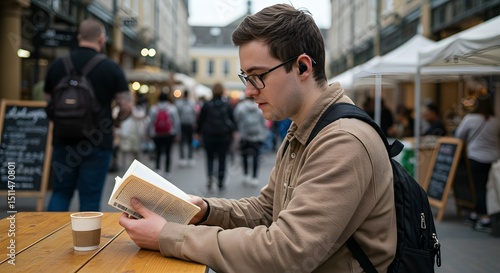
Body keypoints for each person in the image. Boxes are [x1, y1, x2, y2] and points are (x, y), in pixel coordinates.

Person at [119, 4, 396, 272]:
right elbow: (267, 211)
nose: (250, 91)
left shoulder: (342, 140)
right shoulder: (305, 128)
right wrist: (204, 209)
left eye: (257, 76)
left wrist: (168, 236)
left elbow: (286, 252)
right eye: (245, 77)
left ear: (302, 67)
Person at [44, 18, 133, 211]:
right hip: (97, 141)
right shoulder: (110, 67)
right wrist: (115, 122)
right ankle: (86, 241)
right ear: (101, 39)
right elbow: (126, 106)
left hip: (63, 140)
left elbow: (48, 102)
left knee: (60, 193)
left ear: (79, 38)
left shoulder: (58, 65)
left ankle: (49, 240)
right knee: (90, 197)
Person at [455, 94, 500, 232]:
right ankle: (484, 213)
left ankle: (484, 216)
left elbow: (459, 135)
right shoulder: (496, 120)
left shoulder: (470, 119)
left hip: (476, 157)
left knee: (478, 187)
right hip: (494, 158)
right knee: (491, 188)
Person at [196, 82, 236, 191]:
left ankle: (210, 177)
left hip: (209, 135)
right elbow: (233, 121)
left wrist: (198, 133)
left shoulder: (206, 104)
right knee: (222, 158)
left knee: (209, 158)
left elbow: (200, 121)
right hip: (224, 136)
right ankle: (220, 181)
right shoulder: (226, 105)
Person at [233, 96, 268, 187]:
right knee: (256, 156)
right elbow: (263, 122)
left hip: (244, 135)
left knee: (244, 155)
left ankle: (245, 175)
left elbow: (236, 120)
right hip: (257, 136)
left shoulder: (240, 107)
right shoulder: (259, 107)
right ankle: (254, 177)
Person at [148, 92, 180, 177]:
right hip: (169, 134)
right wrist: (177, 134)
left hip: (157, 134)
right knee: (168, 153)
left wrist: (149, 133)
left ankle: (157, 169)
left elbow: (150, 122)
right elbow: (176, 122)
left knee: (158, 152)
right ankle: (167, 171)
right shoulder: (172, 108)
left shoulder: (153, 108)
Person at [175, 90, 197, 167]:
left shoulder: (179, 103)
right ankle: (189, 158)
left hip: (182, 124)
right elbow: (195, 114)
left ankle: (183, 158)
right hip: (189, 124)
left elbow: (177, 114)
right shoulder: (192, 103)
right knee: (189, 142)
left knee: (183, 142)